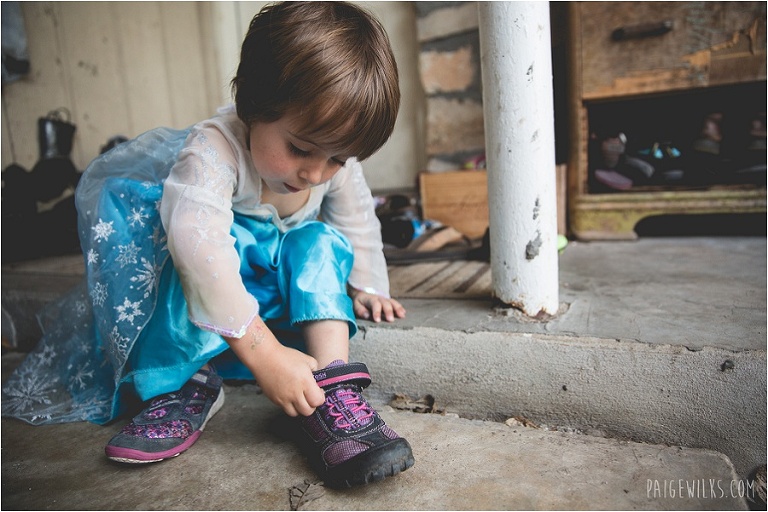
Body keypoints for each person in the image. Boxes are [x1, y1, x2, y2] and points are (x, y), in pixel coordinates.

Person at [1, 1, 414, 488]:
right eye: (301, 149)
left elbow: (356, 218)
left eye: (337, 158)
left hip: (277, 299)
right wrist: (264, 355)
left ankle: (328, 387)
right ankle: (183, 381)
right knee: (180, 254)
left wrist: (367, 283)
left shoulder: (330, 164)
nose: (315, 173)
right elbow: (200, 254)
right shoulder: (214, 150)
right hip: (213, 305)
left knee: (319, 240)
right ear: (253, 106)